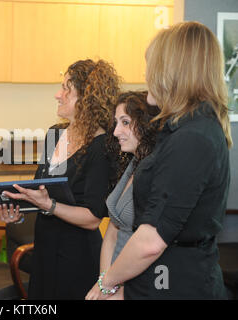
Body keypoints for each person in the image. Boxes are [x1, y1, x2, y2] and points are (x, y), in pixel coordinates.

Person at [89, 21, 232, 300]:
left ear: (172, 72)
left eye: (150, 66)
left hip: (177, 284)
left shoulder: (192, 138)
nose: (145, 74)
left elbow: (150, 242)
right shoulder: (183, 130)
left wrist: (106, 285)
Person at [0, 59, 121, 299]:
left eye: (66, 89)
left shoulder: (102, 146)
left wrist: (49, 205)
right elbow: (39, 192)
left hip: (78, 259)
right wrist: (17, 213)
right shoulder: (55, 132)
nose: (57, 95)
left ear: (86, 99)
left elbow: (93, 218)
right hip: (44, 253)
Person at [85, 91, 160, 300]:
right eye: (116, 123)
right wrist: (105, 283)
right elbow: (112, 232)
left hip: (141, 284)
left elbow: (154, 248)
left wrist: (121, 292)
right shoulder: (132, 164)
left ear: (147, 124)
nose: (117, 131)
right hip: (114, 281)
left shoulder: (157, 171)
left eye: (125, 122)